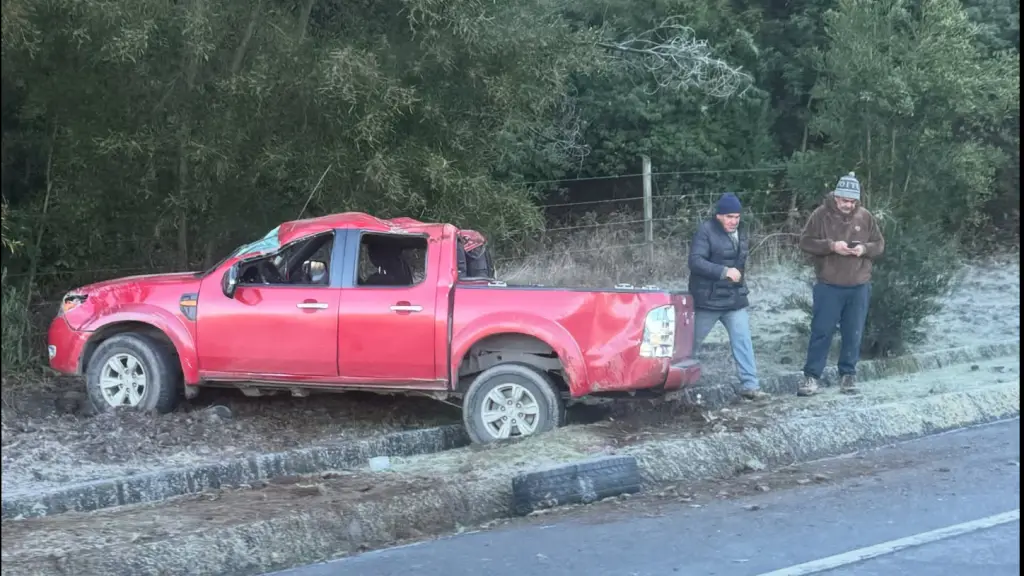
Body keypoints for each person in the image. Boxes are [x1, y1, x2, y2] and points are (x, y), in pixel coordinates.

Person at [797, 172, 885, 396]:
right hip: (829, 285)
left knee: (853, 332)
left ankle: (848, 375)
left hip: (859, 285)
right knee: (821, 332)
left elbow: (879, 244)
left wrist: (864, 249)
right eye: (845, 200)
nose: (848, 205)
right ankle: (811, 378)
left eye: (853, 201)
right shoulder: (820, 215)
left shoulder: (865, 216)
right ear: (836, 197)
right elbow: (805, 242)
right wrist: (831, 246)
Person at [687, 192, 767, 401]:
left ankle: (750, 385)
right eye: (729, 217)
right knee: (689, 346)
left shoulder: (742, 231)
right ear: (719, 216)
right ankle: (677, 386)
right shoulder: (705, 231)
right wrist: (723, 272)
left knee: (743, 341)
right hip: (707, 300)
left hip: (734, 298)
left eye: (737, 217)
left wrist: (737, 283)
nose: (734, 221)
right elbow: (695, 261)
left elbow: (739, 264)